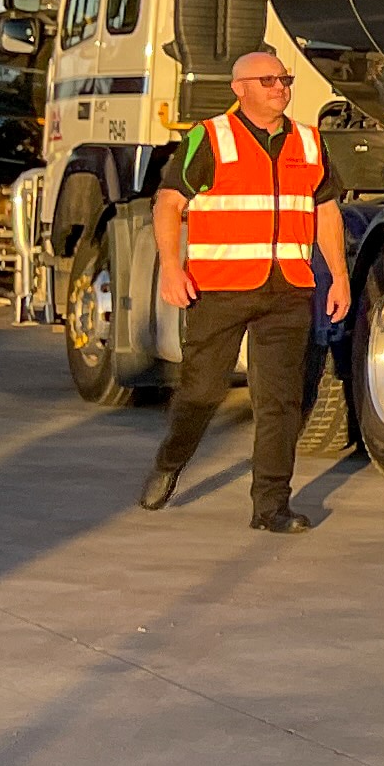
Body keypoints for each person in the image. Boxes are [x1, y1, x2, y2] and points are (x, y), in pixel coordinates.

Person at [141, 50, 346, 532]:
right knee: (202, 391)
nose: (280, 87)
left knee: (281, 402)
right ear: (240, 88)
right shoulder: (209, 137)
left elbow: (326, 210)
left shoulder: (310, 142)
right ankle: (171, 462)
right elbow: (168, 203)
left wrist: (338, 275)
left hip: (289, 289)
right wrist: (170, 268)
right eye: (267, 80)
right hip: (220, 290)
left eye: (285, 79)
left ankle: (271, 507)